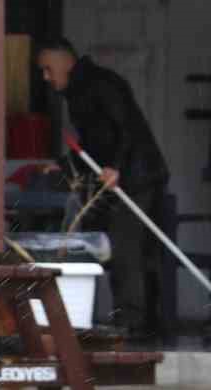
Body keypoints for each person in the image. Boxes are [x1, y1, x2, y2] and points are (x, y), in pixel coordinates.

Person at [35, 38, 170, 336]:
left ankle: (133, 322)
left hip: (137, 176)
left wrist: (117, 167)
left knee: (125, 245)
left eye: (47, 68)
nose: (45, 76)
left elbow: (126, 128)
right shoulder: (77, 93)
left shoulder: (103, 84)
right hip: (116, 175)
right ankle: (117, 316)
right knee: (100, 241)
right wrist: (65, 164)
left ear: (64, 61)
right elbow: (94, 143)